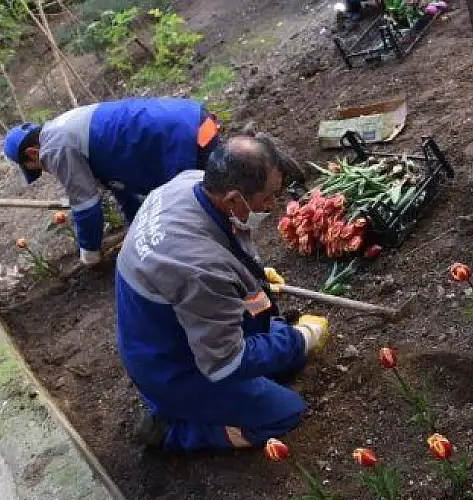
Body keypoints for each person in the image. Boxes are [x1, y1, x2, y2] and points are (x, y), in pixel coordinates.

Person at [114, 133, 329, 453]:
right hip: (172, 365)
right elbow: (226, 361)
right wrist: (301, 338)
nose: (274, 205)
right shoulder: (200, 270)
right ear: (233, 199)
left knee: (285, 360)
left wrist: (252, 278)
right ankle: (173, 429)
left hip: (166, 326)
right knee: (283, 413)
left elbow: (227, 246)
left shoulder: (189, 183)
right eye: (268, 197)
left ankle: (187, 402)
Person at [2, 97, 304, 267]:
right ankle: (277, 180)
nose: (47, 169)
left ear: (33, 152)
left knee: (213, 206)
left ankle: (246, 259)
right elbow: (123, 189)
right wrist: (140, 231)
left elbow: (86, 206)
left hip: (176, 142)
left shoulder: (55, 148)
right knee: (232, 178)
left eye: (37, 167)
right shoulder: (66, 127)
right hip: (187, 121)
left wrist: (89, 253)